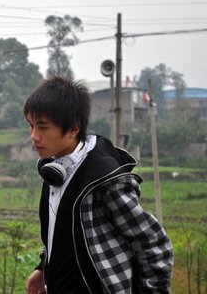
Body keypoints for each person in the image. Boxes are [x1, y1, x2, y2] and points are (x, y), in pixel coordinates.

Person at [23, 76, 173, 294]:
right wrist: (43, 268)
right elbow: (62, 234)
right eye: (31, 126)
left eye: (43, 127)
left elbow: (153, 243)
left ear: (73, 129)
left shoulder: (103, 180)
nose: (34, 136)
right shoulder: (53, 170)